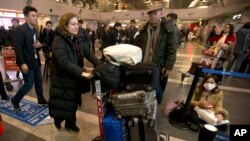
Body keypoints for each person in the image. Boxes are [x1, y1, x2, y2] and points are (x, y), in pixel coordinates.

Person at [49, 13, 101, 132]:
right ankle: (58, 119)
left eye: (77, 24)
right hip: (63, 79)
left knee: (73, 103)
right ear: (65, 26)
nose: (76, 26)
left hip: (74, 77)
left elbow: (88, 53)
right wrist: (83, 72)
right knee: (64, 104)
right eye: (73, 24)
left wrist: (100, 65)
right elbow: (64, 63)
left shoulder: (76, 39)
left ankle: (70, 124)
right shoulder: (59, 41)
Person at [134, 4, 178, 104]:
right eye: (150, 14)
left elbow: (172, 49)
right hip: (144, 64)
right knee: (144, 87)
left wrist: (168, 66)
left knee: (157, 89)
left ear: (161, 13)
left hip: (159, 65)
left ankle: (155, 106)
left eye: (155, 13)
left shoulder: (169, 29)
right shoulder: (144, 30)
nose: (152, 16)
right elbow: (138, 47)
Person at [10, 6, 48, 111]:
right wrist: (22, 63)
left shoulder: (34, 30)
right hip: (26, 62)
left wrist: (39, 45)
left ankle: (41, 99)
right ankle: (15, 100)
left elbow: (34, 44)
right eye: (33, 16)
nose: (36, 18)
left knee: (39, 82)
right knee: (28, 84)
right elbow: (18, 48)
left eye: (36, 16)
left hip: (35, 61)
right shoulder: (20, 29)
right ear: (26, 17)